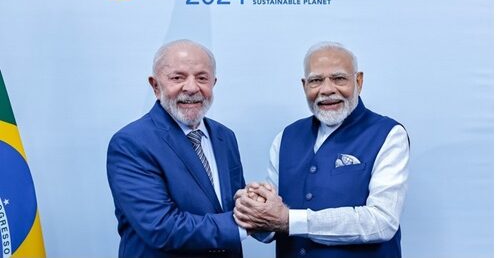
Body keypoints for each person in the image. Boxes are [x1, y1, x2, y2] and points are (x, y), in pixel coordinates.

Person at [234, 42, 409, 258]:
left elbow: (382, 222)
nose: (326, 90)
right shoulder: (286, 137)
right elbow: (270, 228)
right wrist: (253, 211)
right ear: (304, 85)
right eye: (316, 80)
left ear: (359, 81)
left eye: (339, 78)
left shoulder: (388, 134)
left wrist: (291, 220)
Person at [107, 39, 246, 258]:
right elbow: (162, 227)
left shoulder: (225, 137)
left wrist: (254, 203)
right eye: (177, 77)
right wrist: (247, 223)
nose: (191, 88)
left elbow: (230, 203)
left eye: (202, 78)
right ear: (155, 86)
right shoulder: (130, 143)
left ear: (213, 83)